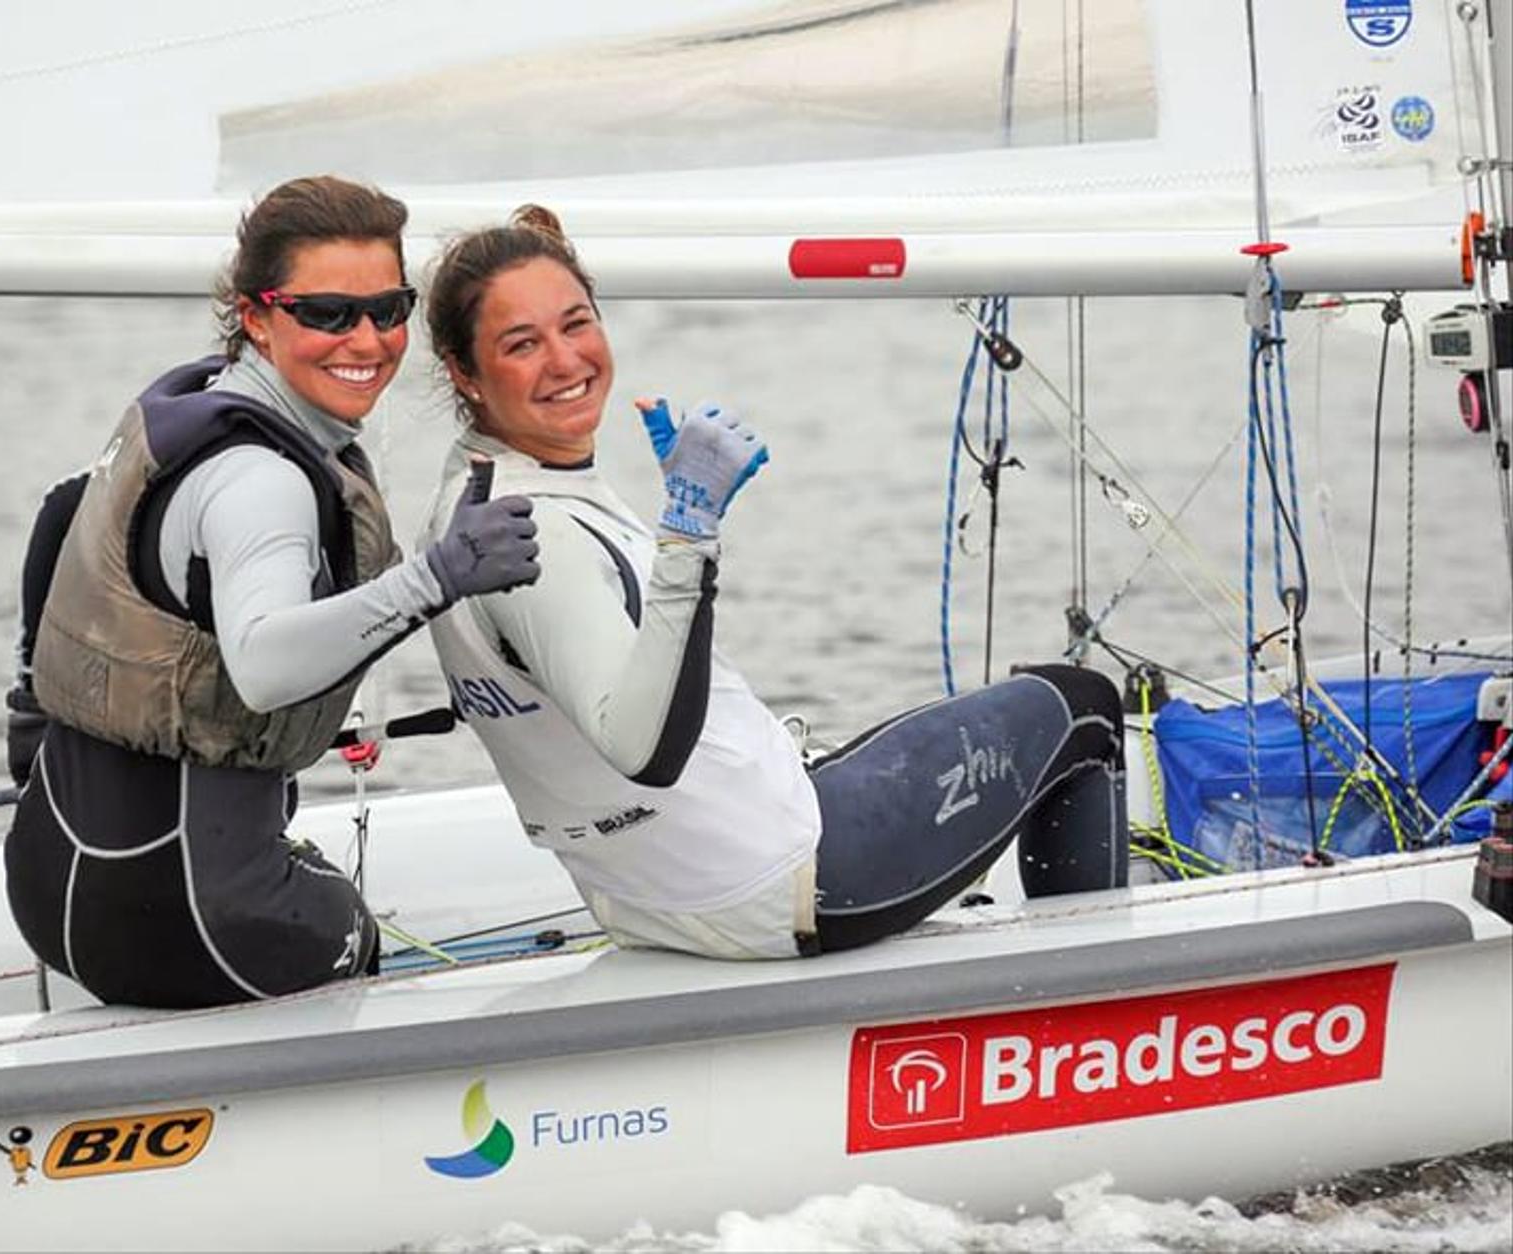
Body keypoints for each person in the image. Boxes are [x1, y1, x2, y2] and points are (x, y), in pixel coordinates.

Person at [418, 206, 1128, 960]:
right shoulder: (536, 534)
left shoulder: (473, 498)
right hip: (773, 886)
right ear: (464, 371)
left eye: (577, 323)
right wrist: (689, 533)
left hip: (650, 896)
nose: (566, 360)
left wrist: (674, 532)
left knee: (863, 749)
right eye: (522, 344)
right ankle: (1107, 1005)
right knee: (1082, 705)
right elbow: (643, 750)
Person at [1, 177, 541, 1007]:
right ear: (257, 316)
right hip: (194, 919)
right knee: (348, 926)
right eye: (325, 313)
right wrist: (437, 577)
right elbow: (260, 669)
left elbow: (63, 511)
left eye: (389, 309)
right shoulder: (261, 481)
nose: (366, 339)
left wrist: (29, 716)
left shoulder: (200, 405)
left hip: (49, 878)